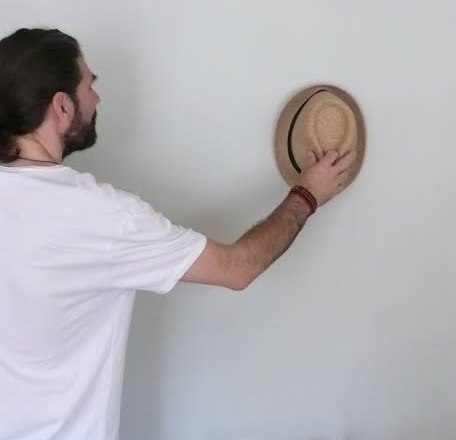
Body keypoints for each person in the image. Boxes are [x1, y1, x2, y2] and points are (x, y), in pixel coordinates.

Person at [0, 28, 354, 440]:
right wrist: (308, 194)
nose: (96, 98)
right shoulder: (100, 218)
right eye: (89, 84)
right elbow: (238, 268)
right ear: (62, 106)